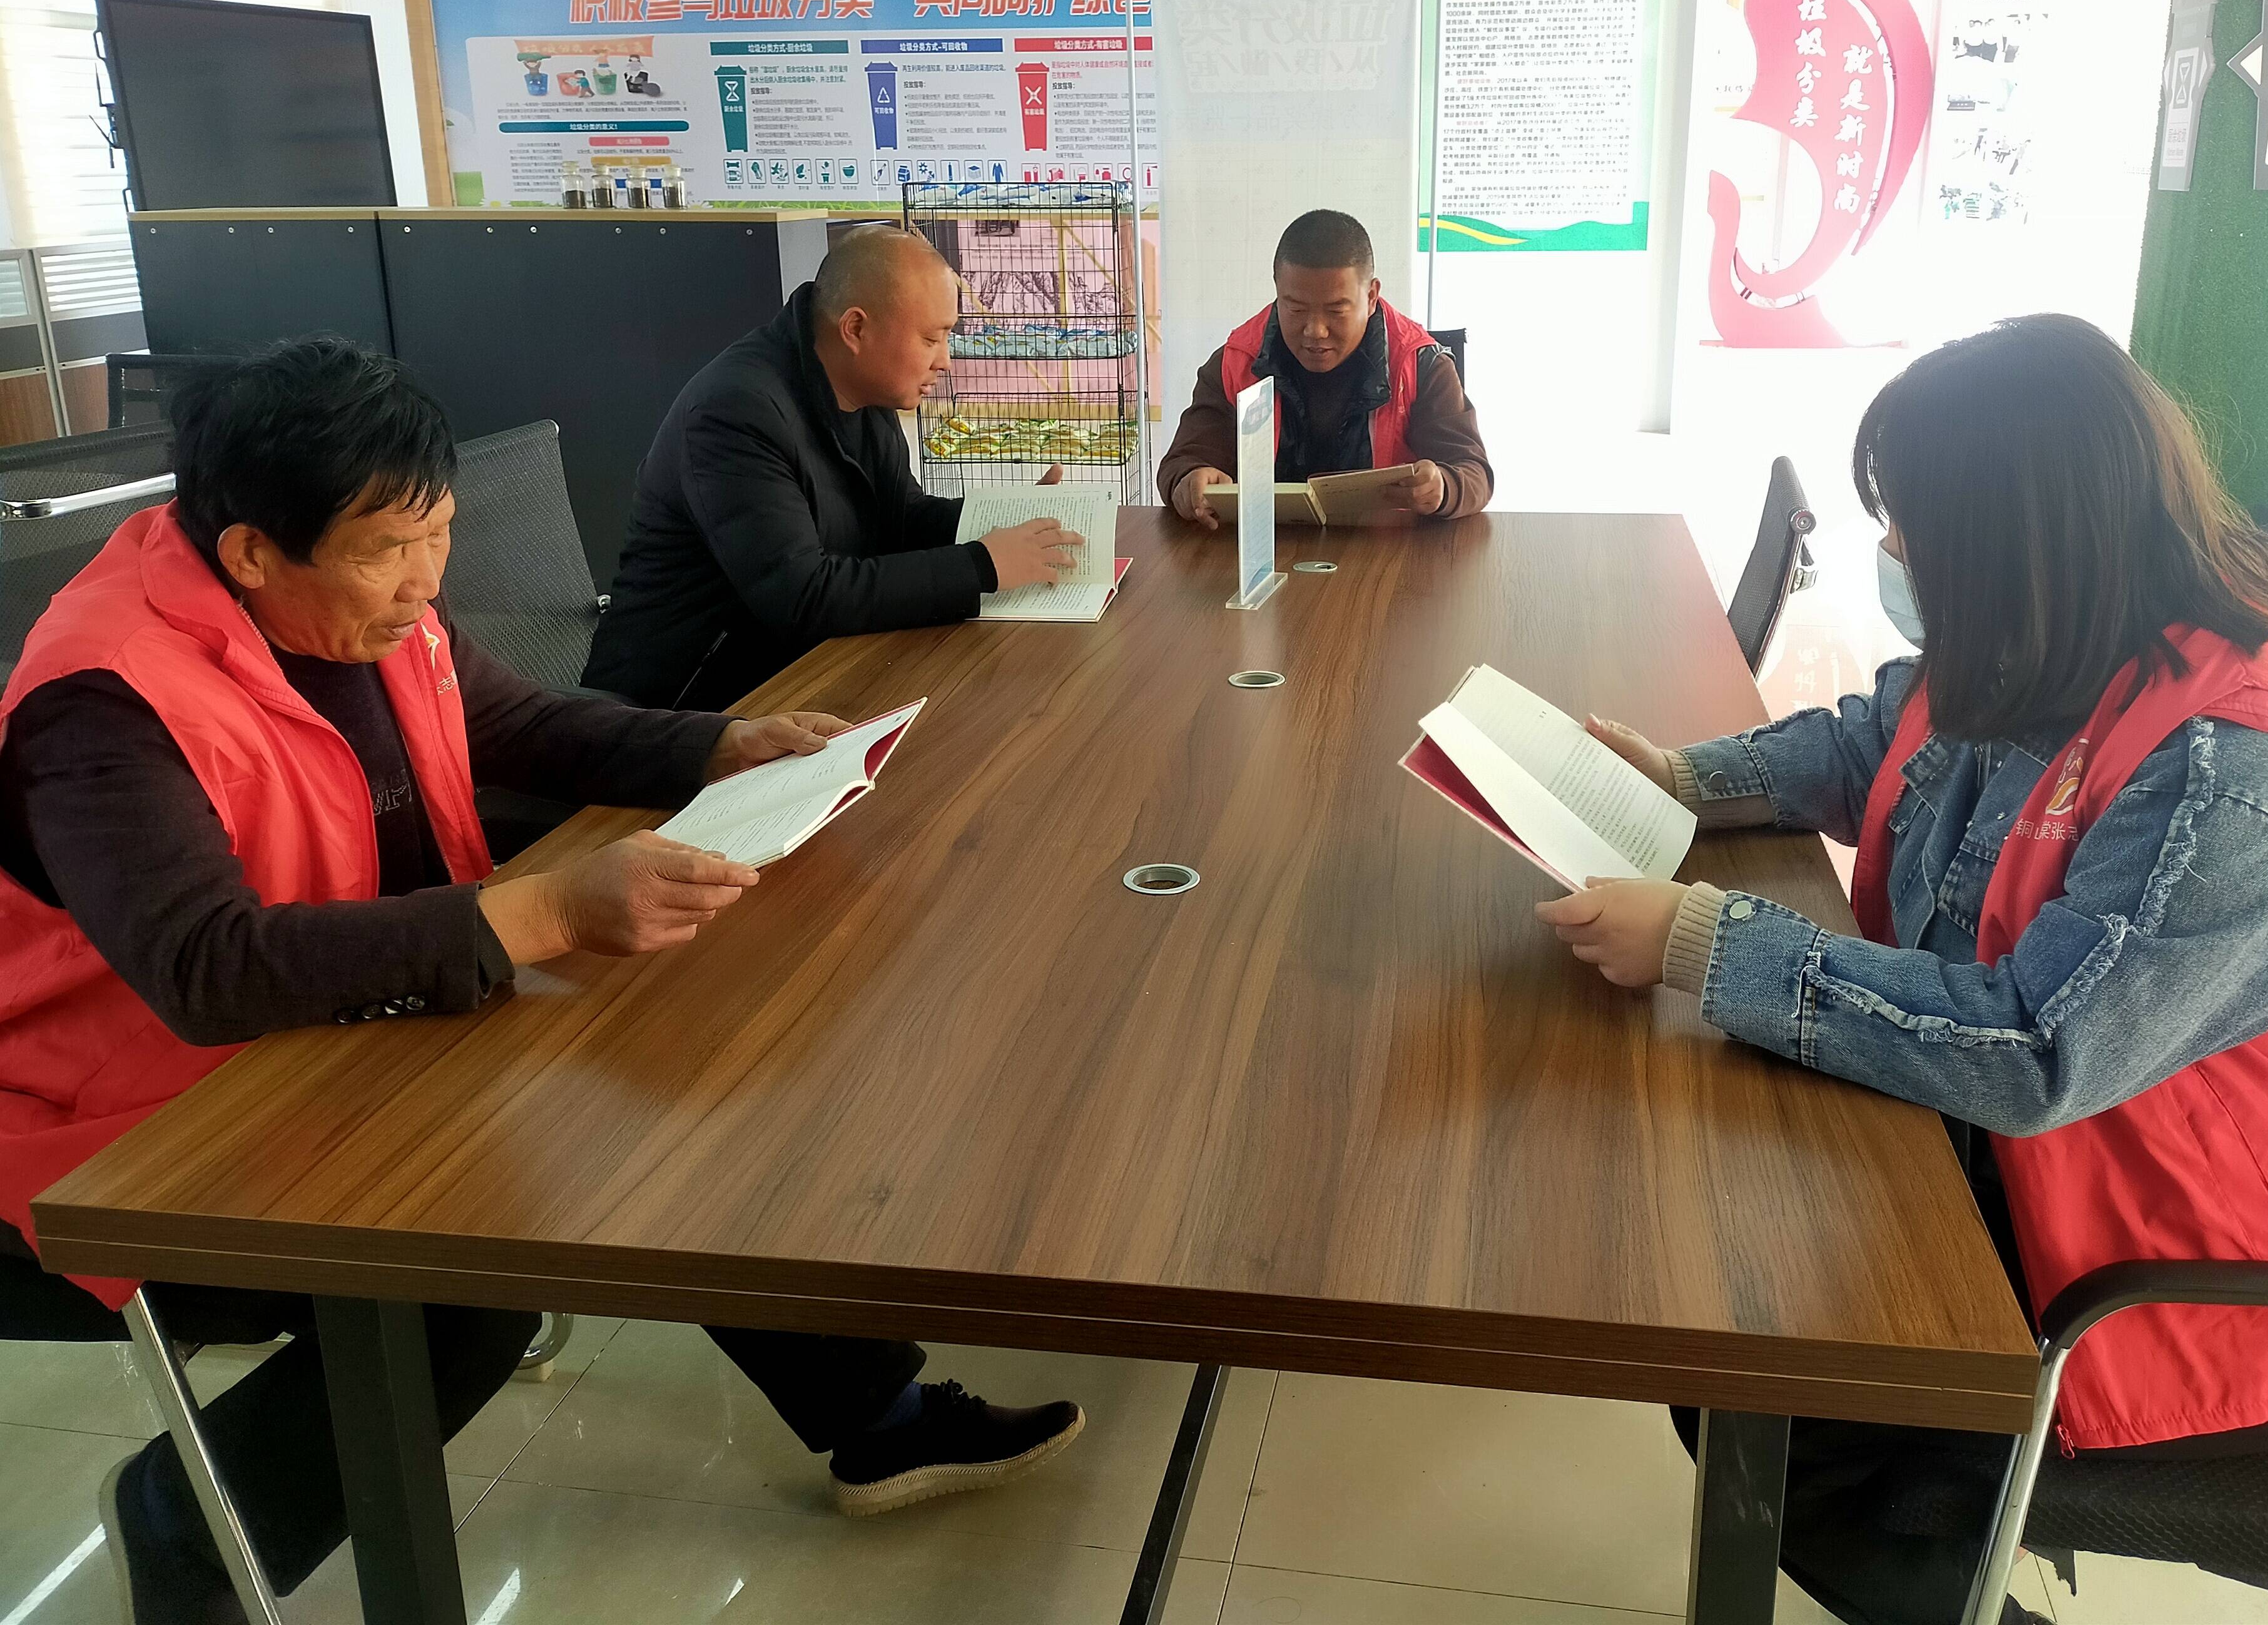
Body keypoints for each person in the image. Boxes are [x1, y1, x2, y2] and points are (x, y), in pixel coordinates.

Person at [0, 342, 1084, 1625]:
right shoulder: (103, 703)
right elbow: (207, 971)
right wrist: (548, 909)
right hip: (141, 1121)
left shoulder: (356, 603)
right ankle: (192, 1522)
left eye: (441, 534)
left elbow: (509, 720)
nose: (427, 580)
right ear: (249, 553)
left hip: (356, 1020)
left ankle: (878, 1417)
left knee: (669, 1083)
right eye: (390, 551)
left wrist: (717, 747)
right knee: (469, 1285)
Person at [1532, 316, 2268, 1625]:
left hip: (2216, 1271)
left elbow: (2038, 1051)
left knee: (1785, 1408)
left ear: (2017, 538)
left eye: (1912, 524)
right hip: (2051, 1182)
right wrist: (1685, 781)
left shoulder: (2234, 767)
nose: (1893, 552)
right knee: (1734, 1300)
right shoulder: (2038, 642)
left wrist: (1703, 941)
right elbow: (1874, 742)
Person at [585, 225, 1084, 710]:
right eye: (931, 339)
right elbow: (803, 598)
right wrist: (982, 565)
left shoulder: (863, 386)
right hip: (683, 711)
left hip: (802, 673)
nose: (945, 361)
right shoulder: (734, 411)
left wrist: (1012, 520)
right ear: (856, 329)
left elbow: (900, 516)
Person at [1159, 209, 1493, 529]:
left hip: (1387, 552)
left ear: (1371, 296)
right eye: (1296, 309)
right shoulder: (1239, 361)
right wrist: (1190, 481)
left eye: (1336, 311)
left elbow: (1473, 471)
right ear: (1278, 291)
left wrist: (1444, 487)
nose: (1315, 331)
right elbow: (1182, 463)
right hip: (1265, 551)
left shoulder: (1418, 364)